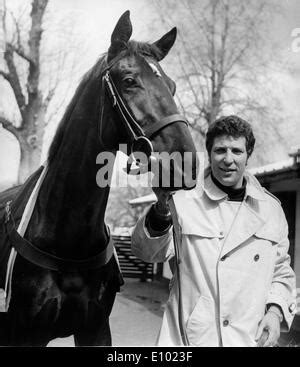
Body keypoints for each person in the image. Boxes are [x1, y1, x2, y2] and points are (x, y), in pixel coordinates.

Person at [131, 115, 297, 347]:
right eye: (220, 150)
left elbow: (281, 272)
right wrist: (161, 209)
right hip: (189, 340)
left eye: (237, 151)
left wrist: (275, 312)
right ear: (209, 153)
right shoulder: (182, 201)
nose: (228, 160)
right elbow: (147, 253)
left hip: (249, 339)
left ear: (248, 155)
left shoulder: (272, 210)